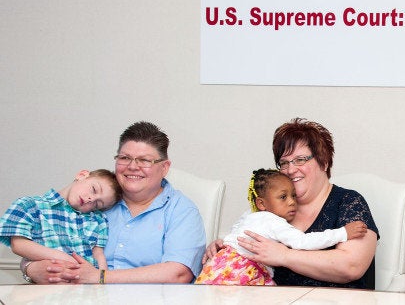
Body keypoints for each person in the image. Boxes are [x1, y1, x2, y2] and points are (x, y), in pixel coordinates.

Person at [204, 117, 379, 289]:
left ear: (324, 162)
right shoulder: (271, 208)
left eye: (300, 160)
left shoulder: (349, 202)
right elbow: (247, 243)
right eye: (284, 163)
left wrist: (284, 255)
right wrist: (227, 246)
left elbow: (351, 266)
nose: (290, 169)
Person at [23, 121, 207, 284]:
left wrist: (100, 277)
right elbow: (45, 242)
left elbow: (178, 273)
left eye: (144, 160)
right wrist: (30, 269)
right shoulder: (92, 201)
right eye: (125, 158)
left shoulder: (182, 211)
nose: (132, 166)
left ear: (164, 167)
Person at [196, 168, 367, 285]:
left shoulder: (251, 215)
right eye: (283, 197)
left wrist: (221, 242)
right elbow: (303, 242)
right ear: (261, 203)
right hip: (241, 274)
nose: (292, 202)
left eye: (293, 195)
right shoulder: (273, 221)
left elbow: (234, 234)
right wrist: (342, 233)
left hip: (217, 268)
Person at [0, 169, 122, 270]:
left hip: (87, 288)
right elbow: (18, 244)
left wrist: (101, 282)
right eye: (94, 189)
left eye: (97, 204)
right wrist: (65, 258)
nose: (91, 199)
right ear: (82, 175)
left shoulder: (98, 220)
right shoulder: (29, 205)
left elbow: (98, 254)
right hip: (46, 287)